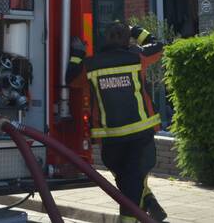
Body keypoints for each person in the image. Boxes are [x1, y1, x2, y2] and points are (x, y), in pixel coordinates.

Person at [67, 21, 168, 223]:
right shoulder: (137, 56)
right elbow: (159, 45)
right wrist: (136, 30)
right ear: (127, 40)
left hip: (111, 140)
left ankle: (147, 199)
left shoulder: (91, 64)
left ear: (105, 39)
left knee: (127, 183)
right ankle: (144, 201)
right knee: (132, 185)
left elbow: (71, 79)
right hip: (140, 136)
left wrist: (77, 53)